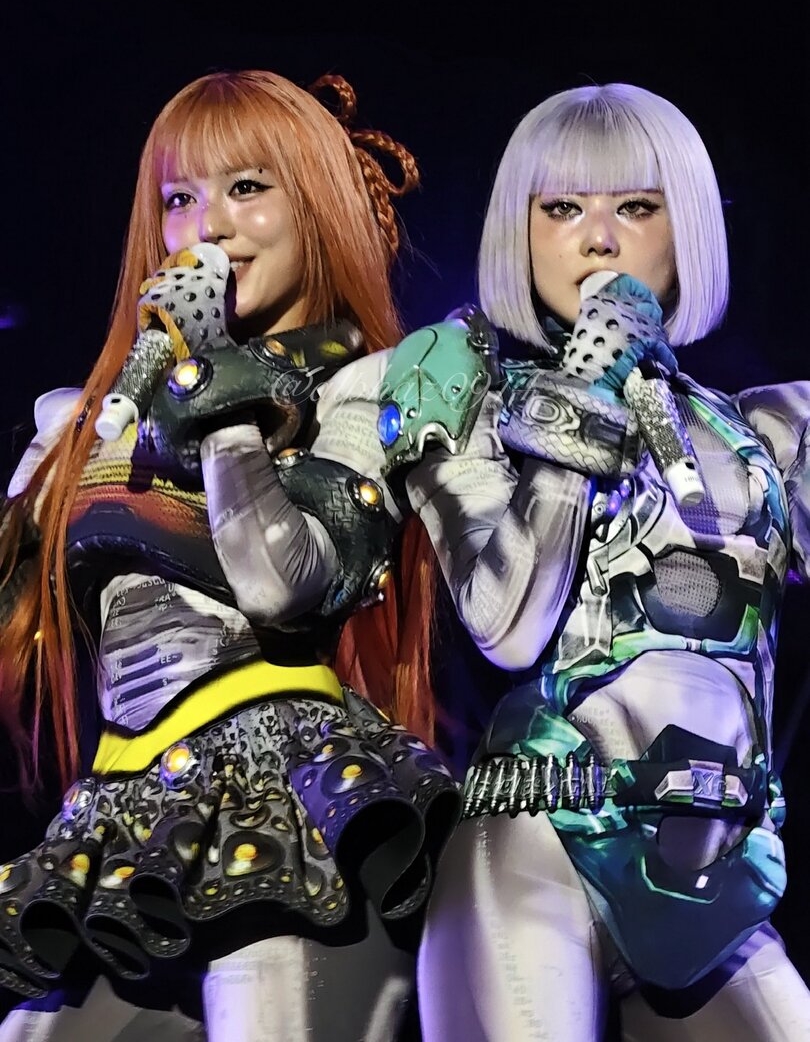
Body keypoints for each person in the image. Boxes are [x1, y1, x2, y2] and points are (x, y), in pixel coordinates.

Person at [0, 69, 458, 1041]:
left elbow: (283, 583)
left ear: (316, 207)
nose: (207, 226)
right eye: (179, 198)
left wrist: (218, 394)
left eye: (247, 188)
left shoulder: (371, 389)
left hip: (293, 802)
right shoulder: (87, 421)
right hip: (120, 811)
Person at [380, 83, 810, 1039]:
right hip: (531, 844)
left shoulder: (765, 430)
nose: (599, 239)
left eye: (637, 207)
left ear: (686, 227)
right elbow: (505, 623)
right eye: (564, 208)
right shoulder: (468, 393)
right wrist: (583, 401)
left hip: (716, 872)